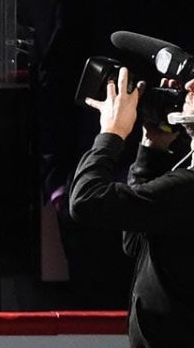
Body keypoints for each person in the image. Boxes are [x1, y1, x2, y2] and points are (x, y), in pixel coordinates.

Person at [38, 0, 194, 308]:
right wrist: (61, 182)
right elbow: (56, 83)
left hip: (186, 186)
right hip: (103, 182)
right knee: (105, 318)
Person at [70, 66, 194, 347]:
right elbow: (137, 241)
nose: (189, 86)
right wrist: (152, 147)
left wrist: (111, 133)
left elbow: (86, 201)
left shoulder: (186, 190)